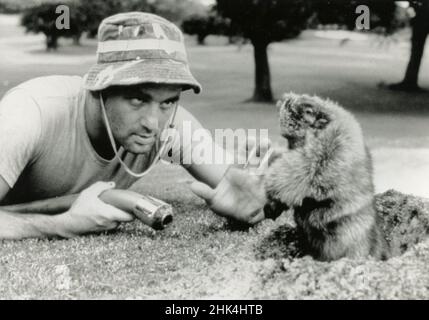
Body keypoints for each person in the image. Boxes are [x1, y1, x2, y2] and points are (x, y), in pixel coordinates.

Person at [0, 12, 269, 239]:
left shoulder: (171, 126)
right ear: (99, 87)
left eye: (168, 102)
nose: (153, 124)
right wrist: (60, 225)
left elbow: (234, 186)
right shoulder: (30, 114)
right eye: (138, 98)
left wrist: (254, 199)